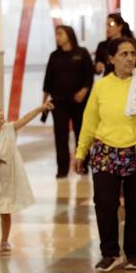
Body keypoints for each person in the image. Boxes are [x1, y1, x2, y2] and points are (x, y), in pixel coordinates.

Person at [74, 37, 136, 273]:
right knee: (104, 203)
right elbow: (89, 122)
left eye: (133, 53)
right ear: (111, 59)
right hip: (105, 152)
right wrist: (81, 152)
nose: (130, 58)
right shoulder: (101, 87)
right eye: (124, 54)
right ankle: (109, 253)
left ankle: (134, 253)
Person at [0, 98, 54, 259]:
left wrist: (40, 108)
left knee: (5, 212)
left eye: (0, 110)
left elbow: (24, 119)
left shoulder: (8, 129)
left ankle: (4, 241)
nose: (1, 114)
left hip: (8, 179)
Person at [42, 25, 94, 177]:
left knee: (81, 133)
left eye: (60, 34)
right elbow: (48, 80)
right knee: (60, 135)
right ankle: (62, 169)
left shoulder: (82, 53)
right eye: (56, 34)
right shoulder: (54, 56)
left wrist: (84, 91)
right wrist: (43, 103)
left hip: (78, 101)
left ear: (69, 35)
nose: (57, 37)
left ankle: (83, 165)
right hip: (58, 101)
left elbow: (89, 76)